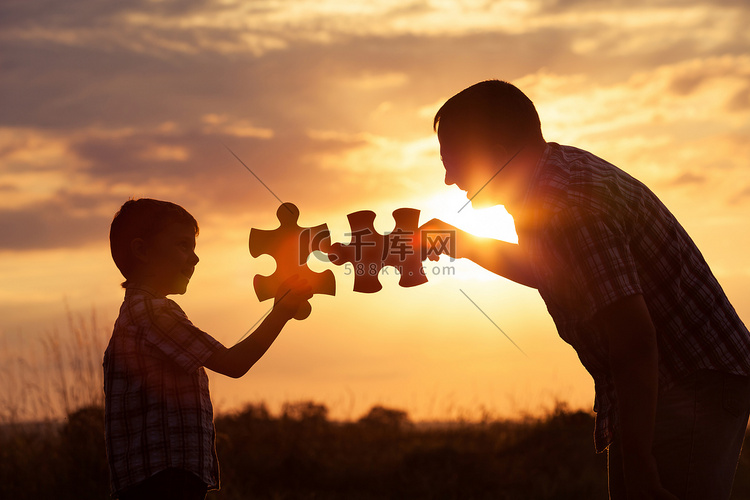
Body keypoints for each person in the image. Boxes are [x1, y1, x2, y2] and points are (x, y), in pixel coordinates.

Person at [420, 80, 750, 499]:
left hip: (687, 381)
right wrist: (461, 243)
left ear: (497, 158)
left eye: (454, 162)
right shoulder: (551, 179)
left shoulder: (567, 206)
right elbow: (556, 269)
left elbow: (634, 341)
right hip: (680, 380)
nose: (449, 179)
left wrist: (639, 460)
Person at [104, 198, 312, 500]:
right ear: (143, 251)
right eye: (182, 245)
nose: (195, 258)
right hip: (163, 479)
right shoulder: (152, 313)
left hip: (157, 478)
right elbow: (233, 363)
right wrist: (281, 312)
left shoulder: (137, 313)